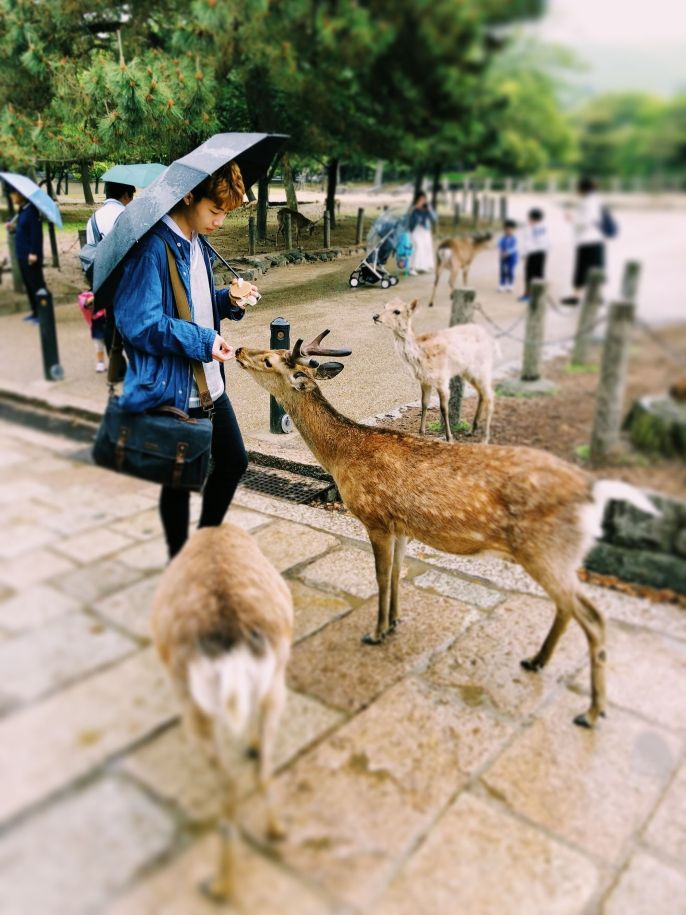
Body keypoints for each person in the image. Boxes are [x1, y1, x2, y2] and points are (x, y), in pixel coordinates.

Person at [113, 161, 256, 559]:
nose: (221, 222)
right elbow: (139, 323)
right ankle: (180, 560)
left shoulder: (196, 241)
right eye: (216, 211)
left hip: (209, 382)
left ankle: (204, 542)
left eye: (226, 213)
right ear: (189, 196)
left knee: (232, 463)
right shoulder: (153, 247)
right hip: (175, 387)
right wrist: (203, 339)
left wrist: (228, 301)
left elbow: (188, 307)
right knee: (177, 481)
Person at [84, 182, 135, 372]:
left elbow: (90, 250)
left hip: (104, 277)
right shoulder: (127, 216)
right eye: (131, 197)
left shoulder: (93, 219)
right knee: (131, 321)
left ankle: (116, 364)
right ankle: (137, 366)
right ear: (125, 194)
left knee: (110, 320)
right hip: (127, 276)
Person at [562, 176, 605, 305]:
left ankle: (578, 296)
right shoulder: (592, 200)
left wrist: (572, 219)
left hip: (588, 240)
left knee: (584, 268)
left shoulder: (589, 202)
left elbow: (588, 220)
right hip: (592, 240)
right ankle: (594, 296)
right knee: (594, 268)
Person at [6, 189, 44, 324]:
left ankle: (43, 314)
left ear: (21, 195)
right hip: (22, 255)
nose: (12, 197)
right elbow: (24, 230)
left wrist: (34, 252)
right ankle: (35, 312)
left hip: (31, 256)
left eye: (13, 194)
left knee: (36, 285)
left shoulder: (32, 212)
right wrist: (13, 229)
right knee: (28, 285)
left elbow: (36, 235)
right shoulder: (22, 211)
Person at [520, 208, 548, 302]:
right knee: (538, 274)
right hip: (541, 253)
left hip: (533, 254)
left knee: (531, 275)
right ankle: (535, 294)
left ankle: (530, 294)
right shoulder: (543, 227)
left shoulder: (532, 228)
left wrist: (524, 255)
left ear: (532, 218)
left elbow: (528, 243)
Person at [408, 191, 437, 275]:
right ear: (417, 199)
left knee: (426, 247)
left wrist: (429, 210)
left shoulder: (428, 207)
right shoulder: (413, 208)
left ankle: (422, 266)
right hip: (415, 230)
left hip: (425, 230)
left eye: (424, 199)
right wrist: (415, 209)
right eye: (421, 199)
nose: (423, 201)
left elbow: (434, 218)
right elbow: (409, 220)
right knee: (417, 246)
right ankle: (412, 267)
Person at [497, 219, 518, 292]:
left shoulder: (514, 239)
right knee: (502, 270)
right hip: (503, 256)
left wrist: (508, 252)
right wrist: (500, 251)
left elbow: (515, 247)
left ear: (513, 230)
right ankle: (502, 284)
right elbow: (498, 245)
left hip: (512, 257)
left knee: (510, 270)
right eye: (506, 229)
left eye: (510, 229)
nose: (508, 231)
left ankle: (510, 284)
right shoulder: (502, 238)